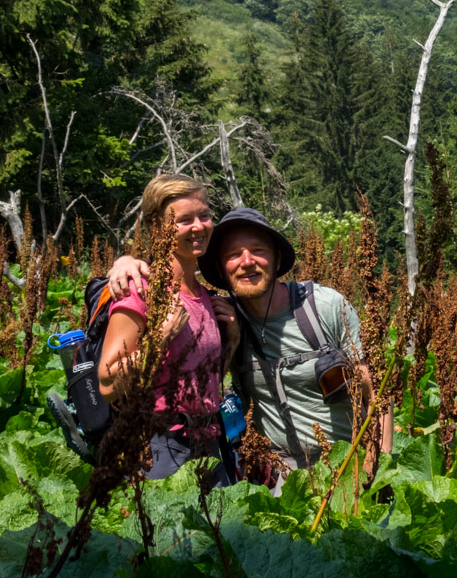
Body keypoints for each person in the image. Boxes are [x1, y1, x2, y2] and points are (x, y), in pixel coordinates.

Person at [109, 205, 388, 489]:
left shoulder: (323, 307)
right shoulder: (223, 319)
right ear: (220, 268)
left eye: (258, 250)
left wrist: (380, 466)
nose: (247, 261)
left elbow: (378, 392)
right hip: (280, 476)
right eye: (233, 255)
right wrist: (126, 262)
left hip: (348, 464)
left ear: (277, 260)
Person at [101, 173, 238, 479]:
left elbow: (204, 381)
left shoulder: (204, 296)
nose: (198, 227)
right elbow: (107, 384)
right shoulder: (140, 291)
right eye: (184, 220)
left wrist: (232, 340)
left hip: (210, 443)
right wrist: (159, 337)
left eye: (204, 216)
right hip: (161, 447)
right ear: (155, 227)